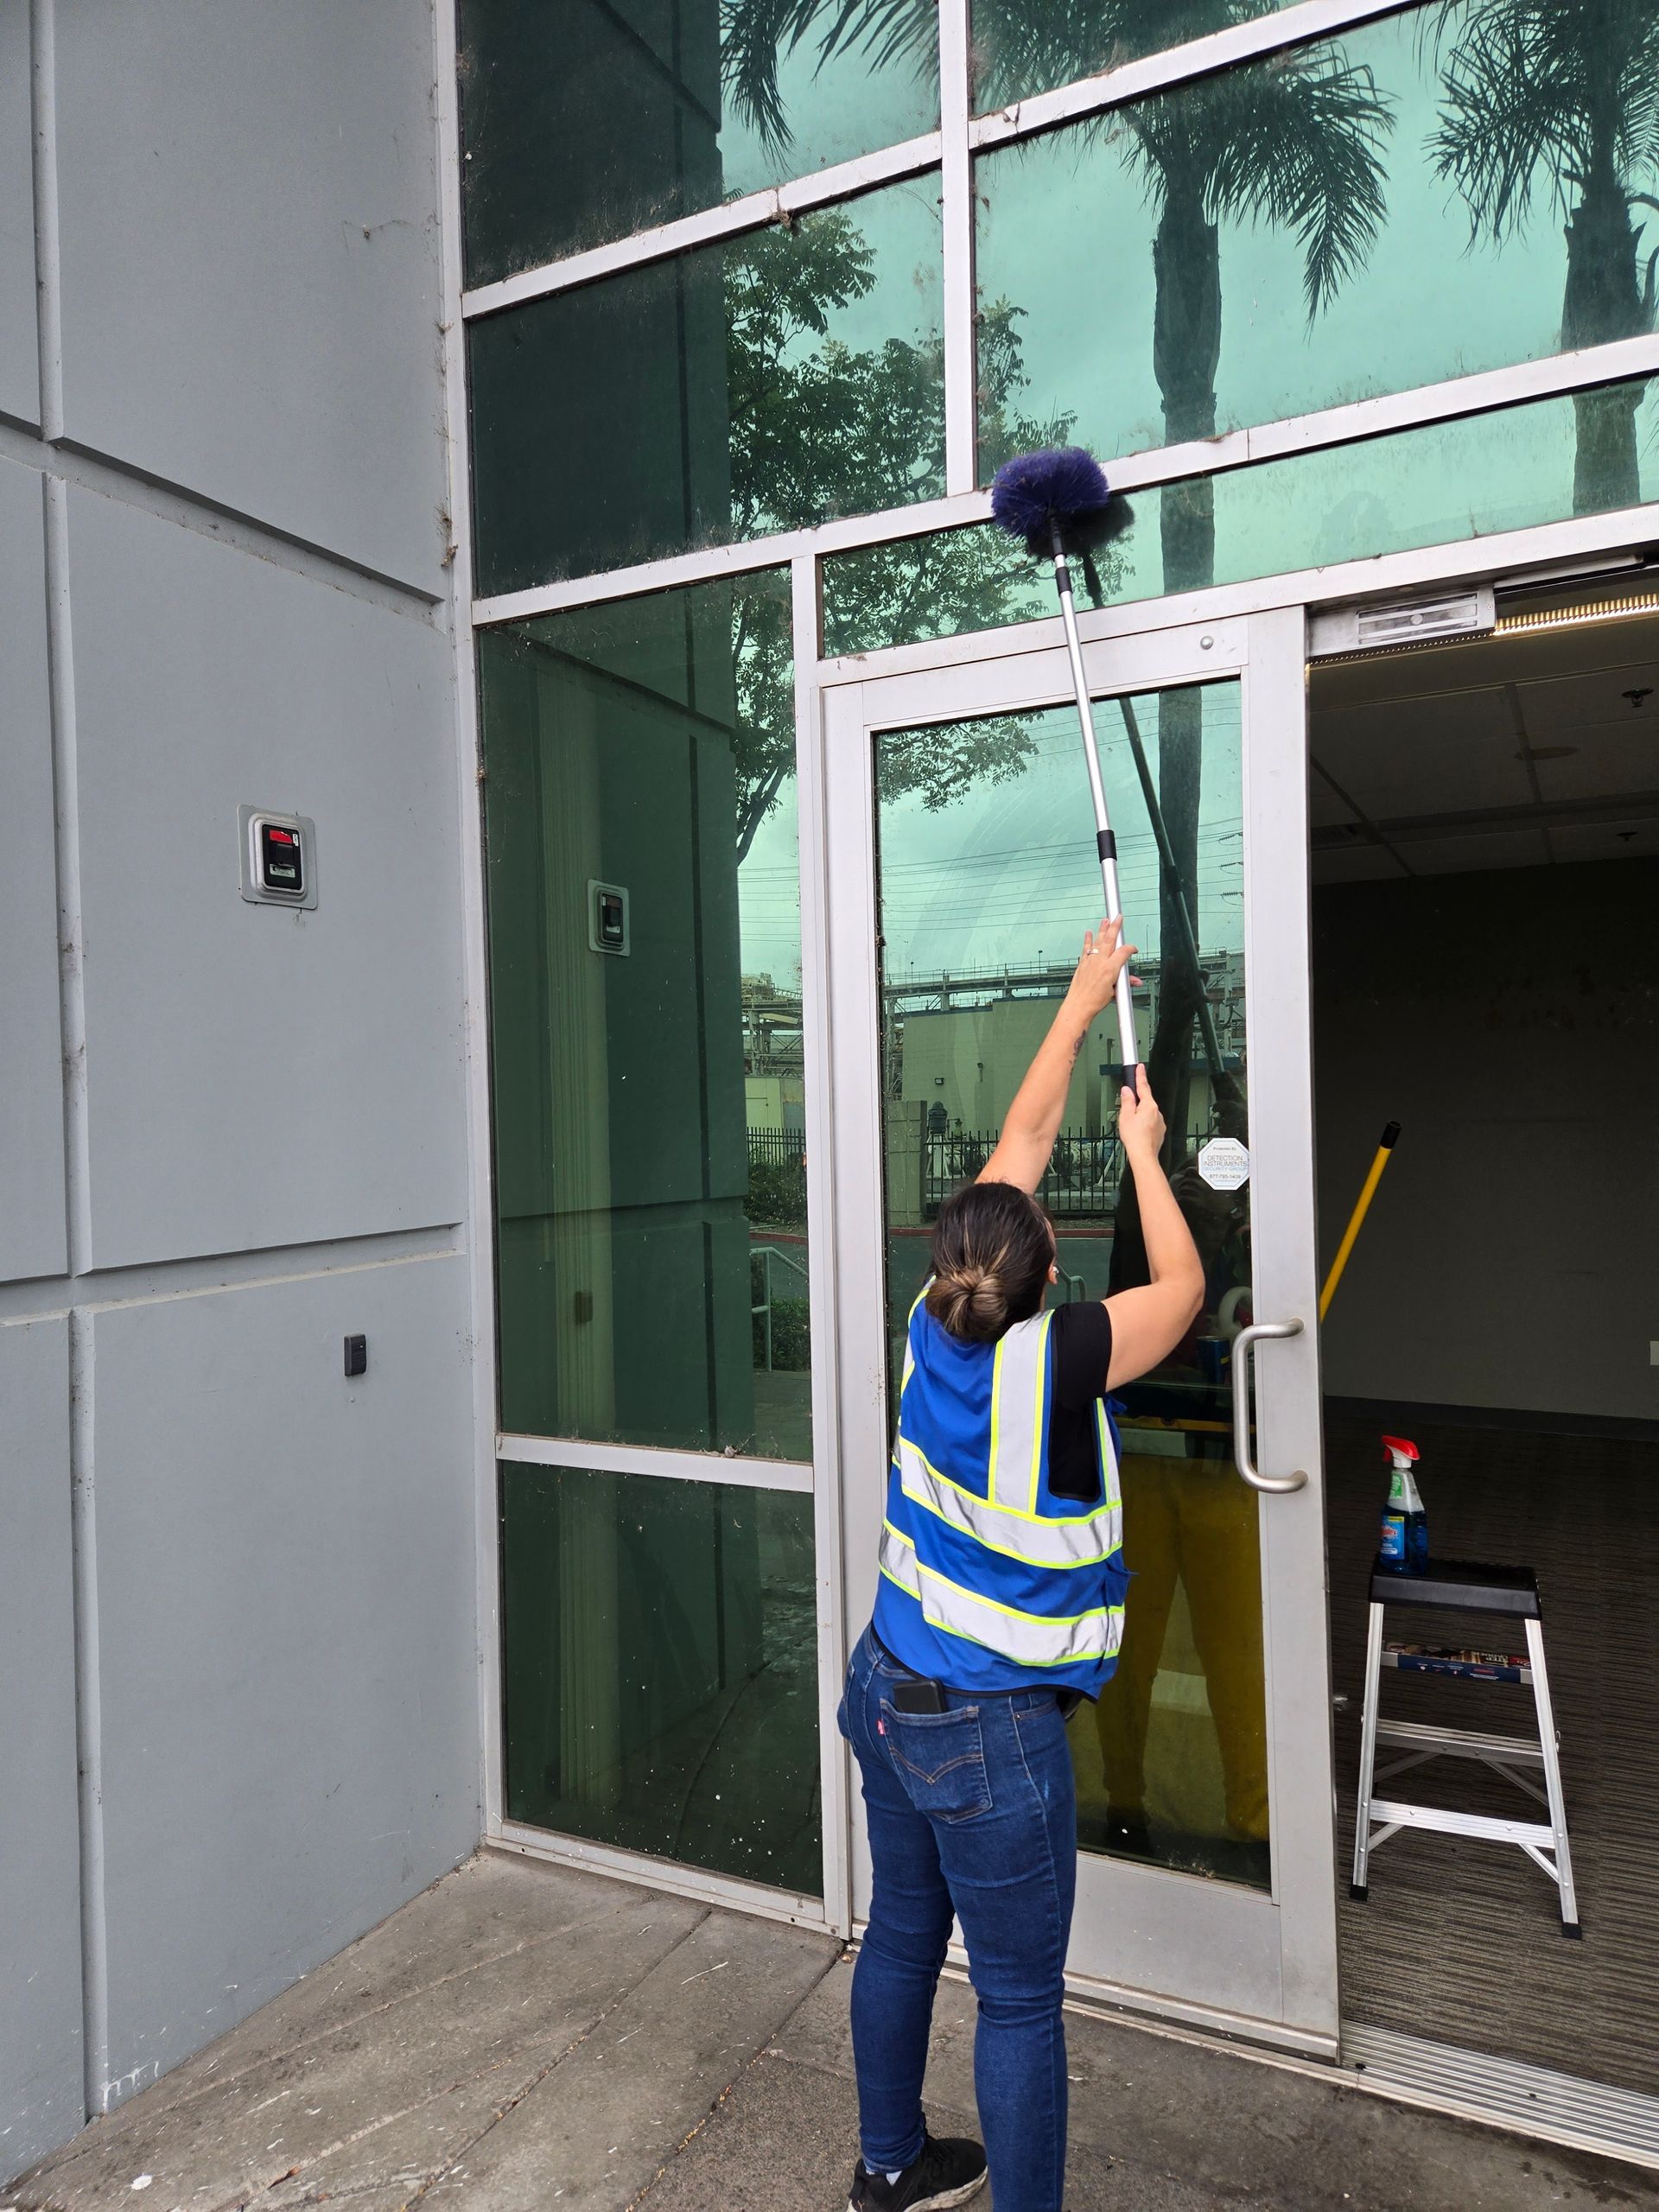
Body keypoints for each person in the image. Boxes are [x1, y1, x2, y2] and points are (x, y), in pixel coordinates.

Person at [838, 918, 1205, 2212]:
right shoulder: (1057, 1361)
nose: (1039, 1191)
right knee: (1016, 2002)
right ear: (1048, 1278)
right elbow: (1184, 1285)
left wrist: (1077, 999)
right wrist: (1152, 1159)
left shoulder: (932, 1322)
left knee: (896, 1932)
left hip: (887, 1684)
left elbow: (1024, 1144)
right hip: (986, 1731)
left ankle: (890, 2164)